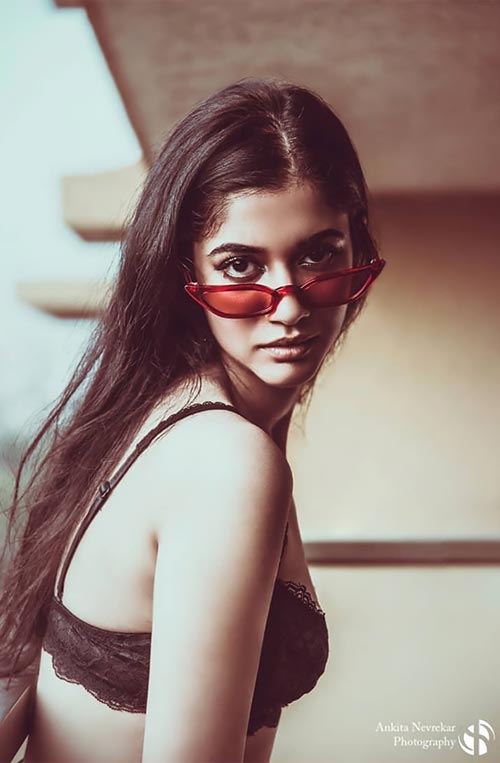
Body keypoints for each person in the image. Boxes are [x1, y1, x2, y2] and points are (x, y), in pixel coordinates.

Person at [0, 77, 385, 763]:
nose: (289, 306)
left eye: (318, 254)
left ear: (357, 242)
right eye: (240, 266)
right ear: (187, 276)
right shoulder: (226, 461)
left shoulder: (163, 415)